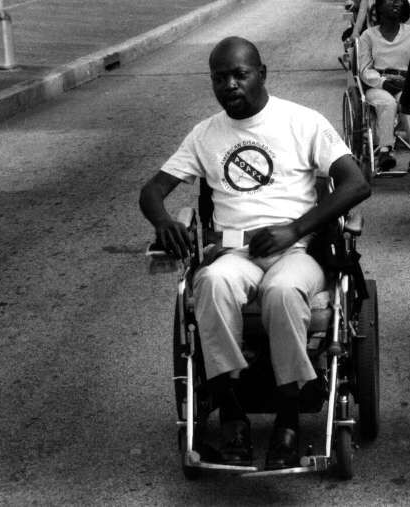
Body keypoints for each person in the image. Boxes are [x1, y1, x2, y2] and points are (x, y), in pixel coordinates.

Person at [139, 37, 370, 470]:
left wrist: (294, 230)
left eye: (239, 75)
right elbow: (152, 190)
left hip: (297, 249)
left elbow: (356, 184)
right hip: (234, 251)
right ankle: (232, 413)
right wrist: (163, 222)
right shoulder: (206, 134)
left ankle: (287, 418)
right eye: (219, 78)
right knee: (210, 282)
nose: (229, 85)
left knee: (283, 292)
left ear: (261, 74)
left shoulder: (302, 122)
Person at [356, 0, 410, 171]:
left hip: (405, 83)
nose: (396, 4)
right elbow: (364, 69)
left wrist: (409, 82)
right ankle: (385, 150)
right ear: (379, 9)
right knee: (387, 102)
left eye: (399, 1)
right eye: (390, 1)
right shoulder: (368, 35)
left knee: (407, 102)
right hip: (378, 84)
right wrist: (382, 82)